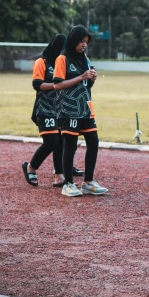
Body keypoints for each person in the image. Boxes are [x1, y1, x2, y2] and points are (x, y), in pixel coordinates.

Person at [53, 26, 108, 197]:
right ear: (73, 40)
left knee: (94, 141)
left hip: (85, 107)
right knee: (70, 146)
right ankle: (68, 184)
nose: (84, 45)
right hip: (69, 108)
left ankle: (88, 182)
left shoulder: (84, 58)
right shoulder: (62, 59)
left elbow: (85, 85)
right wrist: (81, 77)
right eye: (81, 41)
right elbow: (57, 85)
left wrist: (91, 78)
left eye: (86, 42)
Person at [21, 34, 76, 188]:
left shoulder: (63, 62)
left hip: (60, 109)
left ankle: (59, 176)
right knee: (51, 142)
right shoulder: (42, 62)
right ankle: (31, 167)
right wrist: (56, 85)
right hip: (44, 108)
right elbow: (37, 84)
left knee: (60, 143)